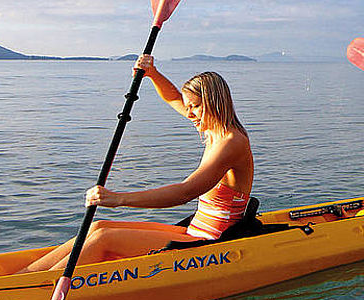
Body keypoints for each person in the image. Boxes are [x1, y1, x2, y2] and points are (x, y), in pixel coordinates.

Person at [20, 56, 256, 273]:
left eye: (195, 106)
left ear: (215, 102)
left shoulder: (231, 142)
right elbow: (174, 97)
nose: (190, 113)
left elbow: (186, 192)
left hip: (211, 241)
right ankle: (25, 276)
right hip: (194, 229)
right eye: (189, 106)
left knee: (105, 240)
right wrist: (152, 73)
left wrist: (119, 199)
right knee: (99, 227)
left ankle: (39, 288)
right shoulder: (212, 127)